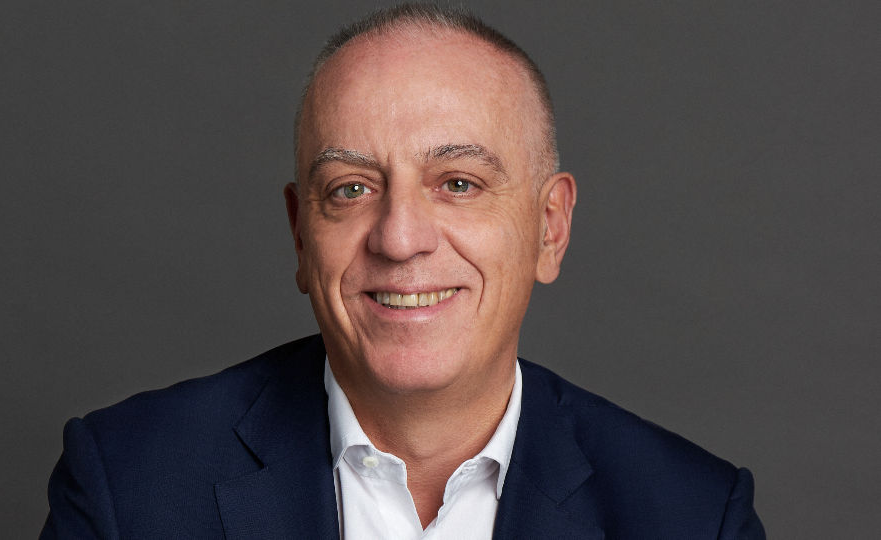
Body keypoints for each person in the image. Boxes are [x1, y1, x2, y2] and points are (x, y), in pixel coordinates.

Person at [42, 4, 765, 539]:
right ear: (301, 236)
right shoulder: (126, 486)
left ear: (550, 228)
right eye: (351, 189)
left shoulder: (694, 516)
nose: (399, 238)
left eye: (459, 183)